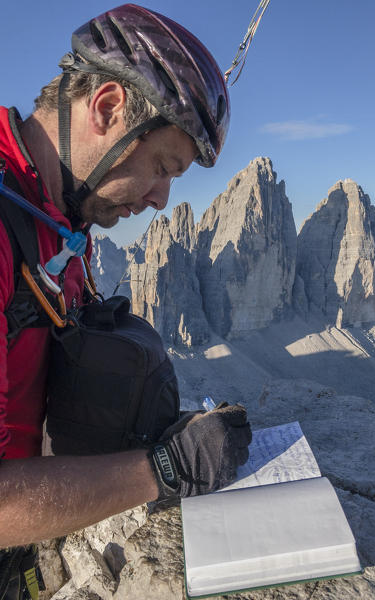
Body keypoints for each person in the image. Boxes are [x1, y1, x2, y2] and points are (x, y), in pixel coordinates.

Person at [0, 3, 251, 553]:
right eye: (163, 167)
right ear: (109, 108)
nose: (162, 200)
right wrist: (163, 467)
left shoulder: (62, 216)